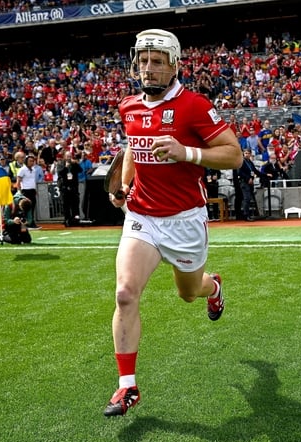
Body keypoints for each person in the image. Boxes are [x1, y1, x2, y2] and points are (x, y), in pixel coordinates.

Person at [104, 29, 243, 417]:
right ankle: (127, 387)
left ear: (174, 66)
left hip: (184, 221)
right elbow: (134, 146)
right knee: (125, 294)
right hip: (143, 217)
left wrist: (187, 152)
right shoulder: (128, 106)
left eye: (158, 62)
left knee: (187, 293)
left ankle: (212, 287)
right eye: (144, 61)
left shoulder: (195, 106)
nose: (149, 69)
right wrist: (126, 186)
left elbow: (234, 156)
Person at [15, 154, 42, 228]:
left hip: (32, 190)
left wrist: (35, 189)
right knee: (26, 208)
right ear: (26, 161)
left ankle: (31, 223)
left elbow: (33, 181)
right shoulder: (22, 169)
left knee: (32, 207)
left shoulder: (33, 170)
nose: (32, 163)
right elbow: (18, 181)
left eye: (33, 161)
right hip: (25, 191)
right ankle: (24, 224)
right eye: (30, 161)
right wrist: (19, 192)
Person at [57, 151, 83, 227]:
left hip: (74, 187)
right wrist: (65, 167)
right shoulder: (60, 164)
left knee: (75, 204)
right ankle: (67, 219)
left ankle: (76, 219)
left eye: (70, 156)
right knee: (66, 205)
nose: (69, 158)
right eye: (67, 156)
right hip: (64, 187)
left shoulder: (74, 163)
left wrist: (76, 163)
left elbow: (80, 170)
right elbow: (60, 173)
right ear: (64, 157)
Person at [237, 148, 258, 221]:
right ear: (243, 154)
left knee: (249, 199)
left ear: (250, 154)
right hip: (244, 182)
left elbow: (254, 171)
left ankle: (249, 214)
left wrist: (264, 174)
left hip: (250, 182)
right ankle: (246, 215)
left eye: (248, 153)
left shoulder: (250, 162)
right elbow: (239, 172)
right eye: (245, 153)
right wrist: (248, 178)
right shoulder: (242, 162)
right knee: (247, 198)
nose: (247, 154)